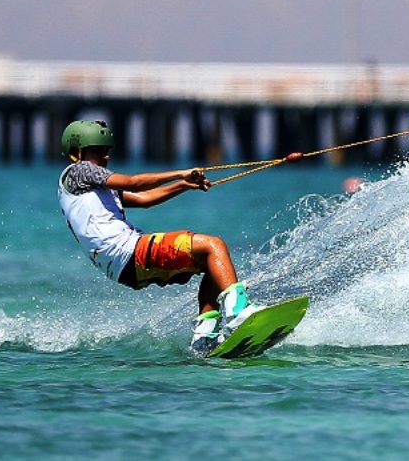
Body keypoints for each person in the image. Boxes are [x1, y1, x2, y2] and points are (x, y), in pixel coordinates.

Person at [57, 119, 261, 354]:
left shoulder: (85, 188)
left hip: (122, 269)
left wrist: (183, 185)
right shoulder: (80, 170)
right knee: (214, 246)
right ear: (76, 153)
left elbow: (144, 200)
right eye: (97, 152)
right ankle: (239, 313)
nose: (104, 157)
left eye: (107, 151)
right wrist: (180, 172)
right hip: (129, 251)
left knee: (211, 264)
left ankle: (205, 335)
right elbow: (134, 183)